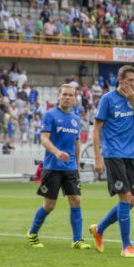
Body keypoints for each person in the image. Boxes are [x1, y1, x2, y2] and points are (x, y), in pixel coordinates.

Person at [89, 66, 134, 258]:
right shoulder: (107, 99)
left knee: (132, 201)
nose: (133, 84)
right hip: (113, 154)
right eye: (129, 80)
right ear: (120, 80)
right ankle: (127, 246)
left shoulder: (133, 99)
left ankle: (99, 229)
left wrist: (133, 101)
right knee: (124, 198)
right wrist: (98, 157)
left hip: (129, 155)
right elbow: (97, 129)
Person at [26, 84, 90, 250]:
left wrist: (77, 165)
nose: (67, 97)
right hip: (53, 166)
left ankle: (77, 239)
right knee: (49, 205)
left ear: (75, 99)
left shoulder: (76, 119)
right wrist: (57, 152)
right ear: (59, 97)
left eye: (70, 95)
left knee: (76, 200)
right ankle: (32, 233)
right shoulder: (50, 115)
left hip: (70, 168)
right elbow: (44, 139)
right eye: (64, 95)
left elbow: (77, 143)